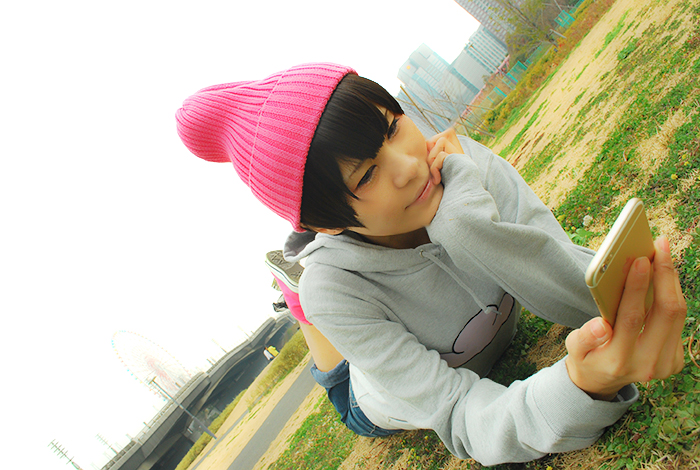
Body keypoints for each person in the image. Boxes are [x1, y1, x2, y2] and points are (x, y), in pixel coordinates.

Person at [175, 63, 687, 465]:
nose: (409, 166)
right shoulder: (336, 292)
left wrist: (464, 223)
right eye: (366, 176)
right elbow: (460, 415)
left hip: (357, 273)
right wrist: (577, 389)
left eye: (394, 127)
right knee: (323, 315)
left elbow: (577, 290)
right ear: (323, 222)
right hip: (370, 399)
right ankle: (298, 297)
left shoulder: (458, 162)